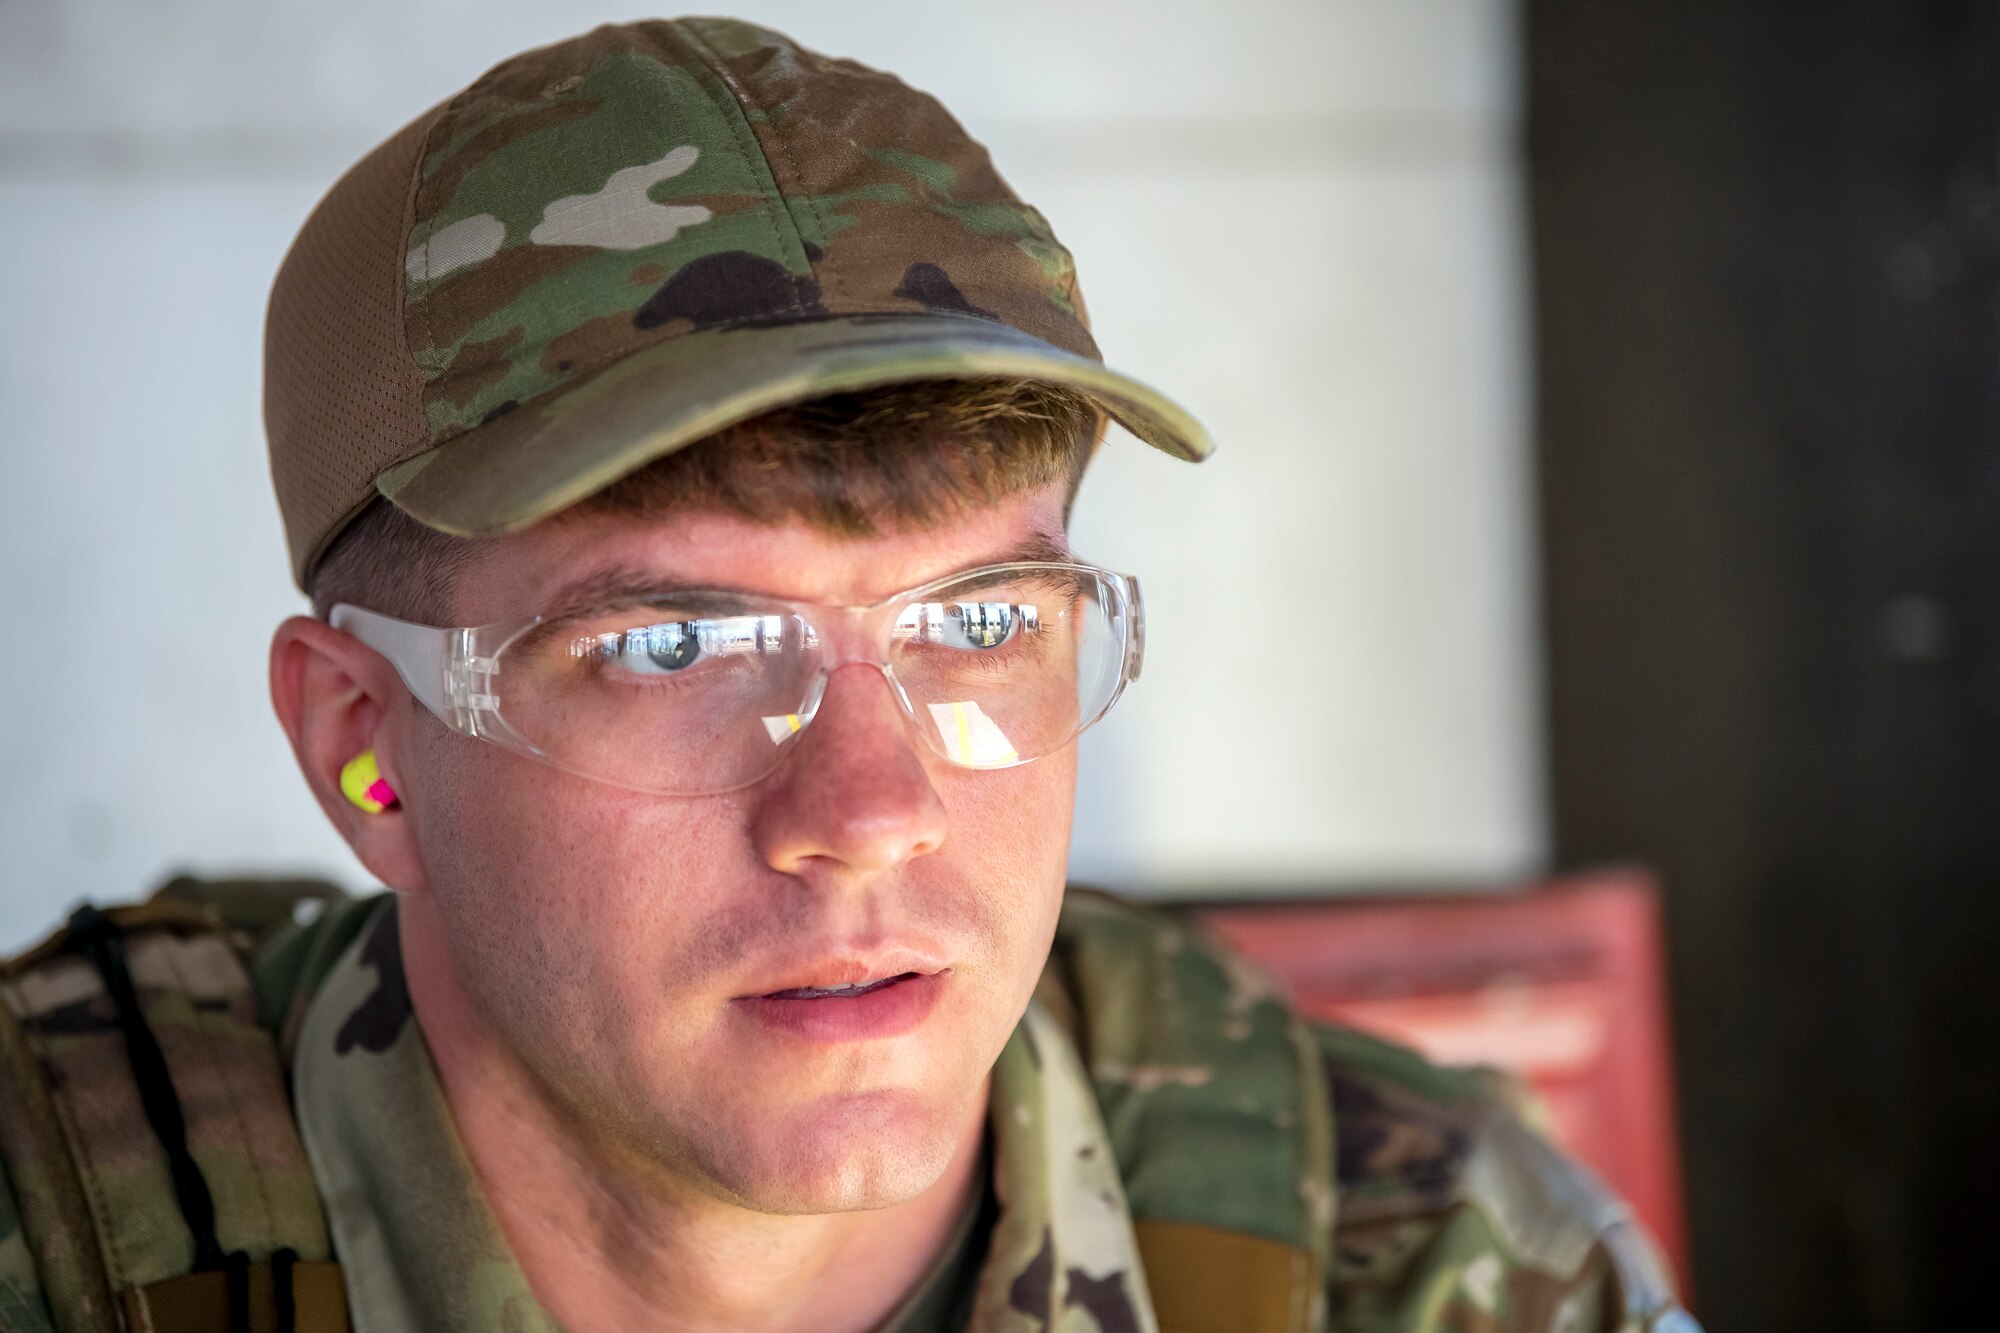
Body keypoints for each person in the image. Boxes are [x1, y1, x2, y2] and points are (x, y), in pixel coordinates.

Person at [0, 18, 1696, 1333]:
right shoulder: (53, 1244)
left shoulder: (1423, 1265)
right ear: (365, 747)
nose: (867, 813)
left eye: (979, 619)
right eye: (673, 644)